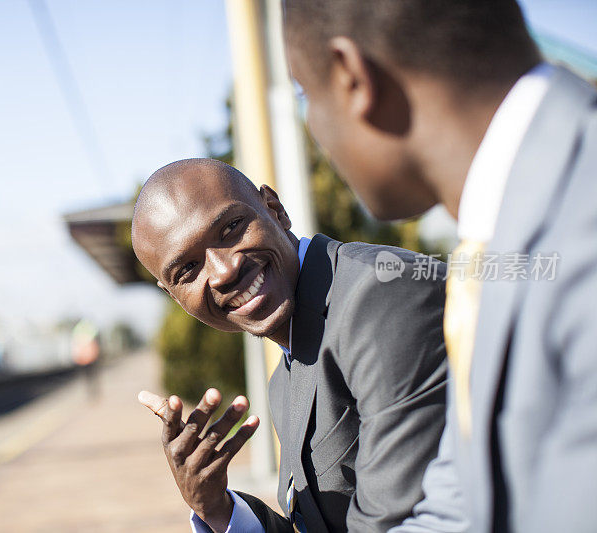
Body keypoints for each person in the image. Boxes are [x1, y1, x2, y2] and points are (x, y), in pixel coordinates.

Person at [281, 1, 597, 531]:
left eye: (306, 94)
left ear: (353, 77)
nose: (312, 124)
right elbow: (458, 507)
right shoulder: (490, 253)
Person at [132, 158, 448, 532]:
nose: (223, 271)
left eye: (231, 228)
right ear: (174, 296)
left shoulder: (378, 297)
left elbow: (400, 520)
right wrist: (217, 509)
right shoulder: (285, 377)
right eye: (187, 270)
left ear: (275, 209)